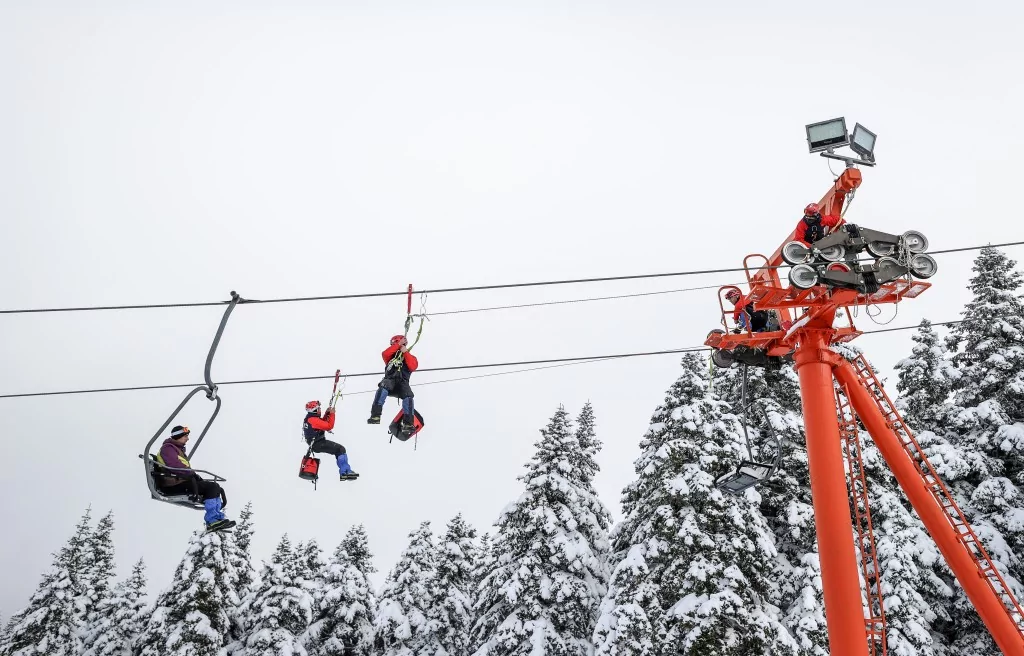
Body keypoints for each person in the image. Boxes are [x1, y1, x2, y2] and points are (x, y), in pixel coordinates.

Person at [155, 426, 236, 532]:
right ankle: (212, 520)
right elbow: (175, 466)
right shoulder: (168, 448)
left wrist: (194, 476)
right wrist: (191, 474)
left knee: (215, 486)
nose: (187, 439)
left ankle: (217, 518)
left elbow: (180, 467)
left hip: (181, 481)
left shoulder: (177, 450)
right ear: (178, 436)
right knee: (211, 487)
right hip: (173, 484)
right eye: (185, 436)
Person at [368, 334, 419, 433]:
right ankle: (376, 415)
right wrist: (399, 345)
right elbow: (385, 353)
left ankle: (408, 423)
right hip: (390, 381)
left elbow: (413, 366)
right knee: (384, 385)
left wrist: (405, 352)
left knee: (408, 395)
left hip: (402, 383)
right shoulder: (389, 357)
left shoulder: (409, 357)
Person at [303, 400, 358, 481]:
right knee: (340, 449)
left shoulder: (310, 418)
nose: (319, 410)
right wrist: (332, 413)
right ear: (314, 410)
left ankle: (345, 472)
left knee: (339, 450)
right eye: (318, 408)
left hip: (316, 444)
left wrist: (327, 413)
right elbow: (329, 426)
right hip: (317, 444)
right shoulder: (313, 420)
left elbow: (321, 423)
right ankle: (345, 472)